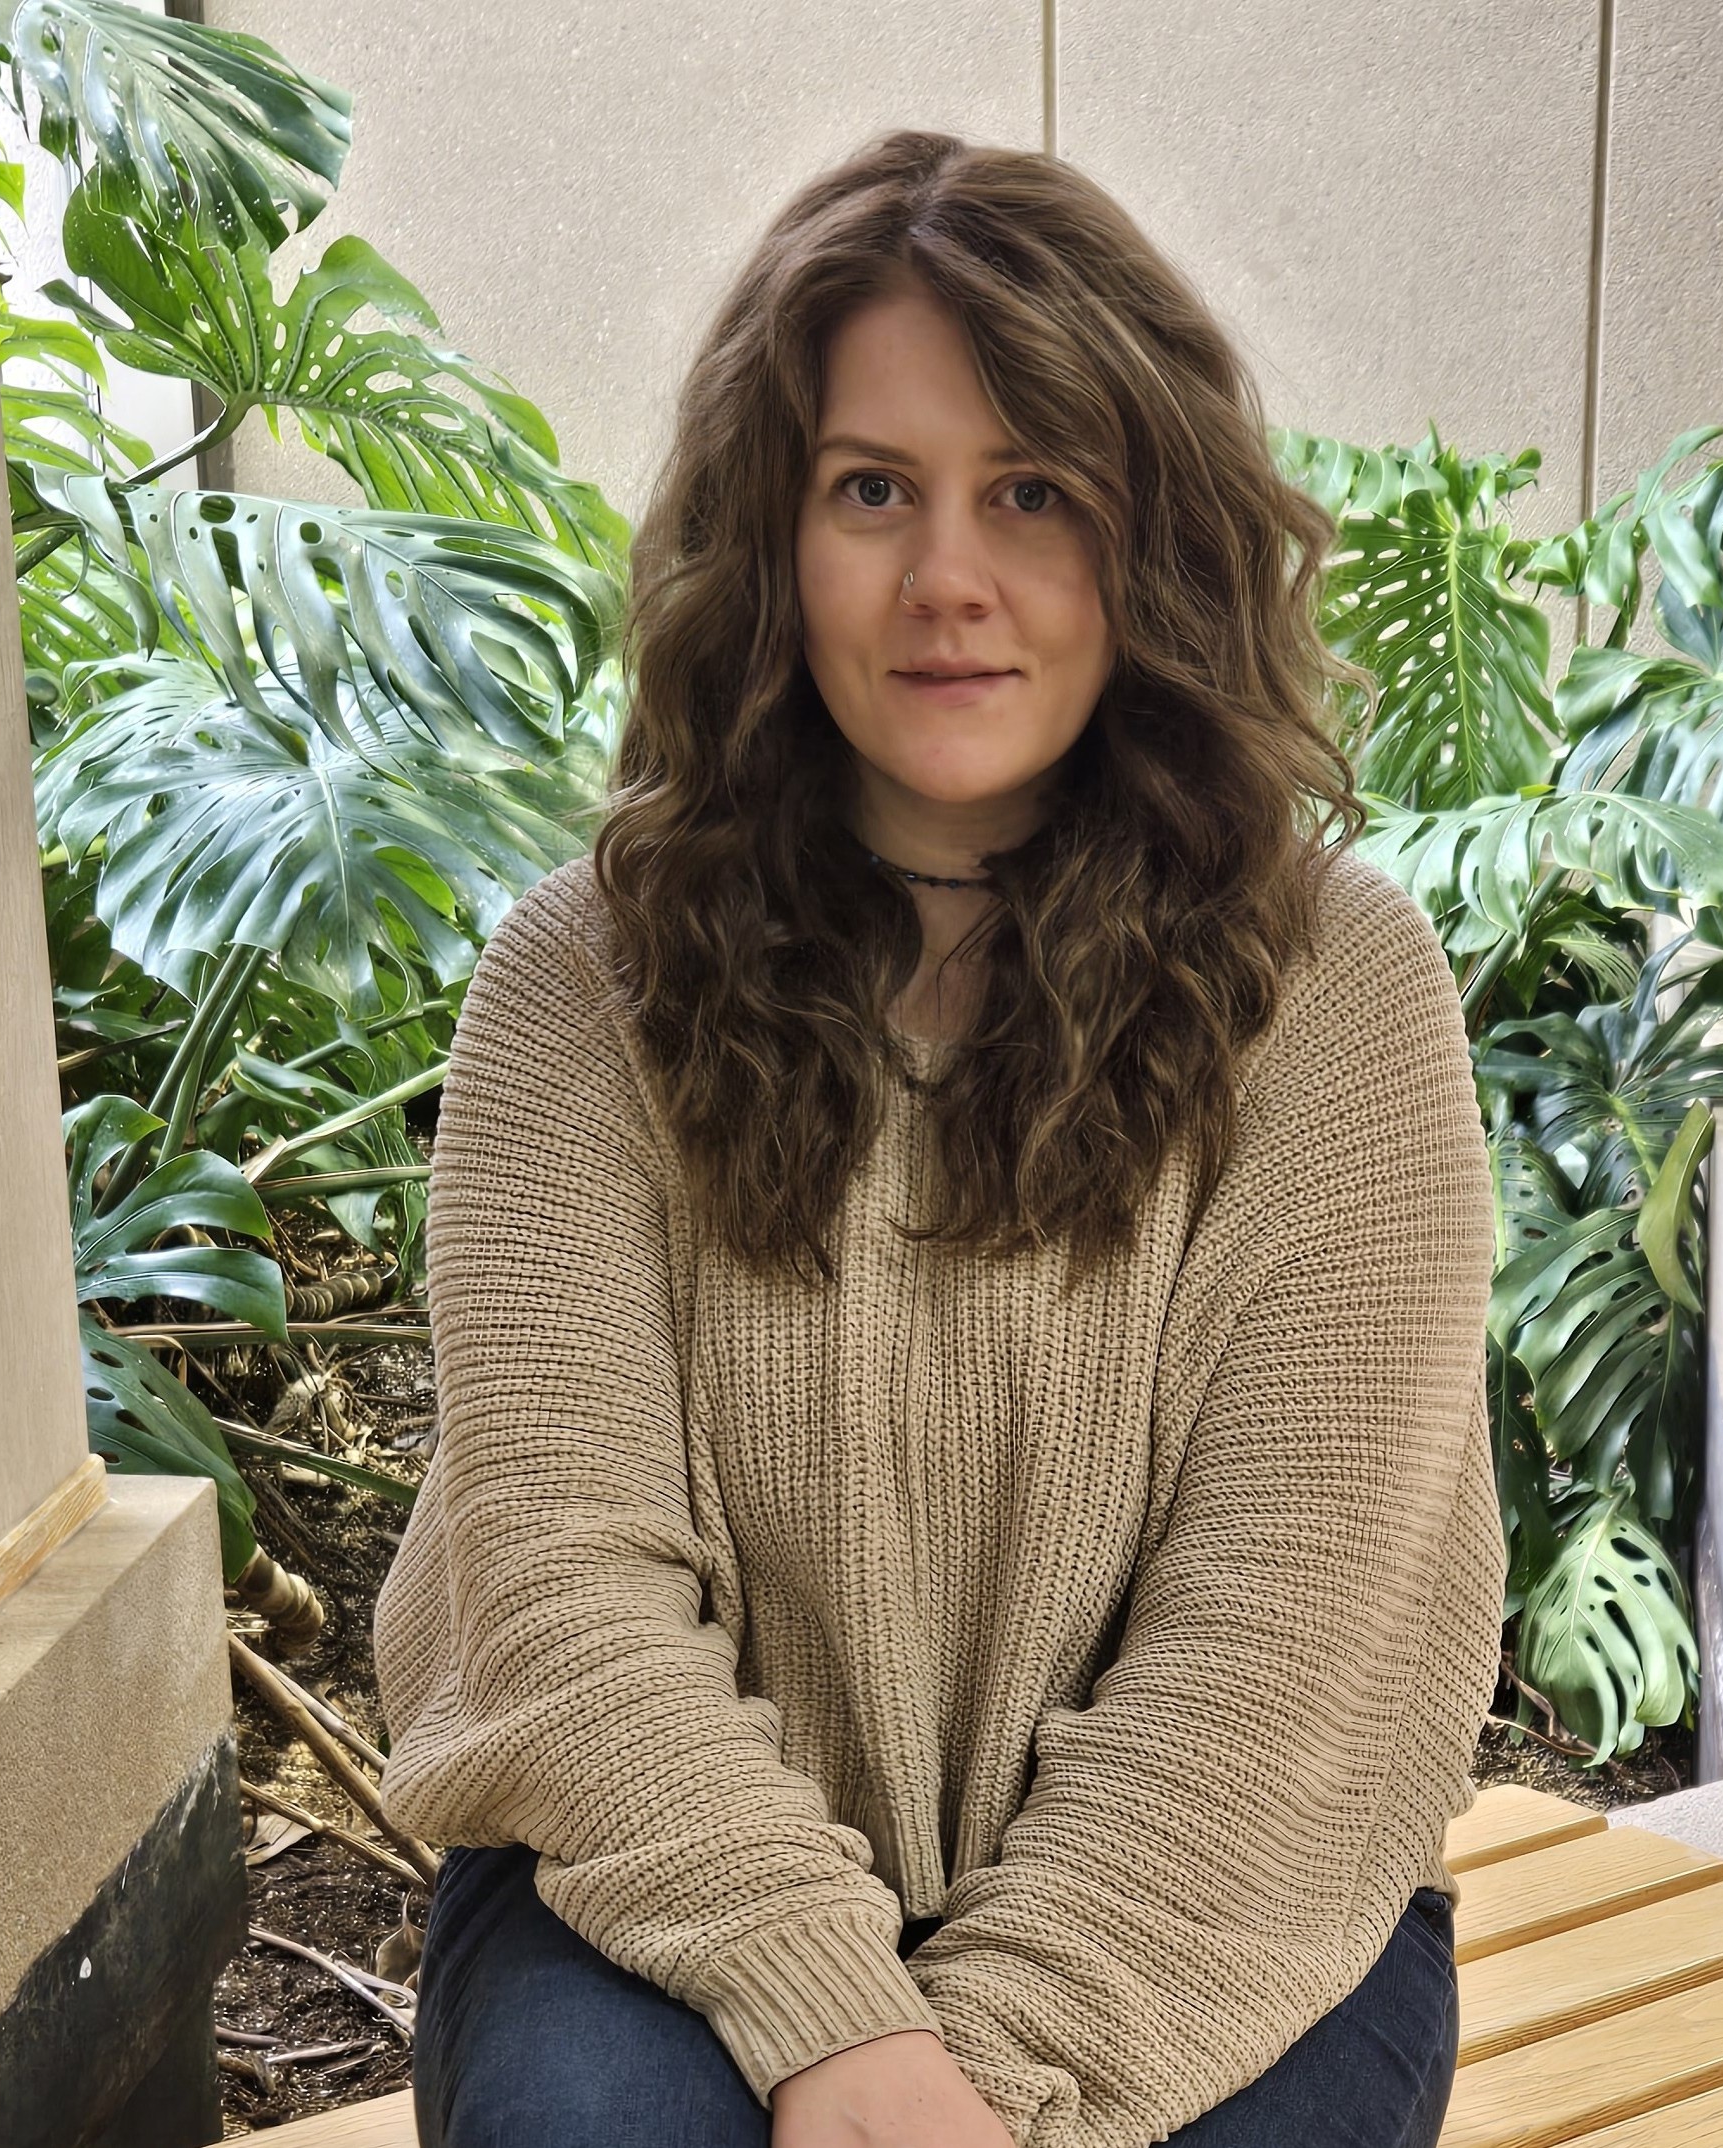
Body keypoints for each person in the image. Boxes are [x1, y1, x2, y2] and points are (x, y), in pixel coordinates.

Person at [371, 127, 1509, 2148]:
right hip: (658, 1897)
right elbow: (563, 1602)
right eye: (871, 489)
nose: (951, 578)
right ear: (768, 534)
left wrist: (972, 2076)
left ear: (1148, 542)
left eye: (1036, 493)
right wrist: (833, 2018)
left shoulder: (1334, 997)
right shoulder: (576, 994)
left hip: (1222, 1902)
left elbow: (1287, 1648)